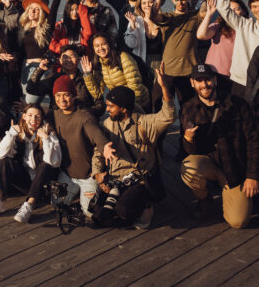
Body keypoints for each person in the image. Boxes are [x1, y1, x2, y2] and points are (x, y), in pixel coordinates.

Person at [179, 64, 259, 228]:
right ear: (192, 83)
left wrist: (252, 176)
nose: (204, 85)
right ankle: (204, 199)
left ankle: (231, 194)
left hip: (235, 169)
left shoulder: (238, 104)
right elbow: (190, 153)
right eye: (199, 81)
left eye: (208, 80)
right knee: (188, 167)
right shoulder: (188, 108)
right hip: (210, 163)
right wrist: (188, 139)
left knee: (238, 222)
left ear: (215, 80)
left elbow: (254, 141)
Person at [91, 67, 174, 228]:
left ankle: (147, 205)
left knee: (123, 211)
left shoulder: (143, 123)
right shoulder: (108, 123)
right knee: (99, 213)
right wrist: (97, 174)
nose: (107, 110)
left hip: (139, 178)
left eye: (111, 106)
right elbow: (98, 150)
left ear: (123, 108)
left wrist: (164, 88)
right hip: (115, 177)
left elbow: (168, 116)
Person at [0, 104, 61, 223]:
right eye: (30, 115)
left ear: (42, 119)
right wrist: (11, 134)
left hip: (42, 185)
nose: (33, 120)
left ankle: (29, 206)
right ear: (24, 116)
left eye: (37, 117)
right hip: (25, 181)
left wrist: (46, 139)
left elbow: (54, 163)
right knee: (6, 160)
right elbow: (1, 154)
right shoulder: (19, 133)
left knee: (46, 165)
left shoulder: (49, 133)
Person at [46, 74, 110, 217]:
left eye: (66, 95)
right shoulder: (54, 114)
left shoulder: (84, 116)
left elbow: (97, 135)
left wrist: (105, 146)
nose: (62, 100)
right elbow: (38, 116)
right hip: (67, 175)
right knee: (56, 204)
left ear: (74, 96)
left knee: (89, 212)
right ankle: (76, 195)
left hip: (87, 176)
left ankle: (99, 192)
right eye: (58, 95)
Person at [89, 32, 150, 113]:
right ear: (93, 48)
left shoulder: (122, 57)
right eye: (97, 46)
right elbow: (97, 94)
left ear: (109, 44)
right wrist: (87, 74)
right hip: (120, 106)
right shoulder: (99, 64)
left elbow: (135, 85)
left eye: (104, 44)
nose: (100, 48)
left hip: (137, 104)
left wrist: (131, 107)